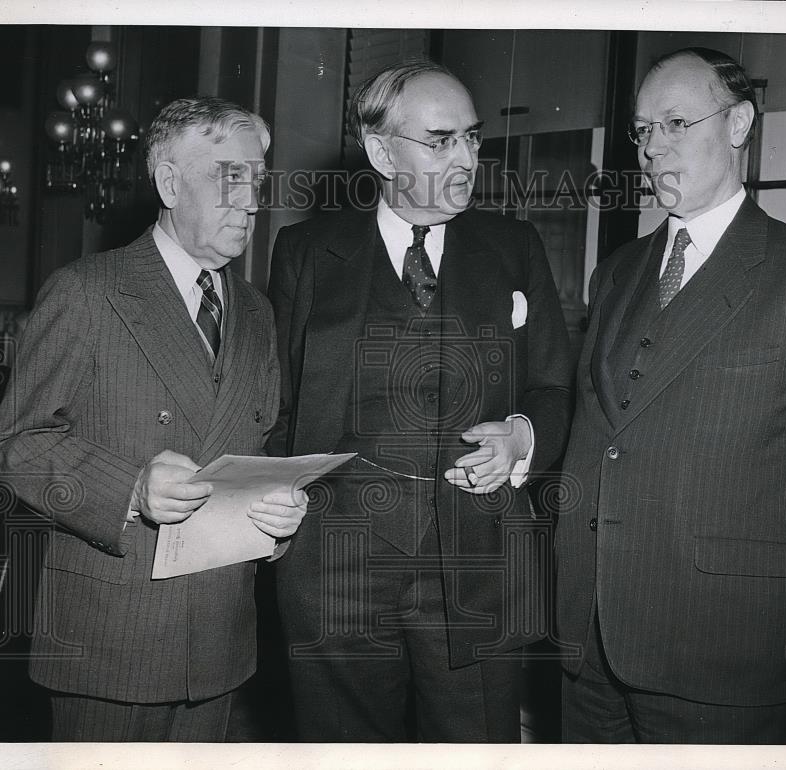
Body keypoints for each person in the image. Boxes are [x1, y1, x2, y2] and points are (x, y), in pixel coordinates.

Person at [555, 48, 786, 744]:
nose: (653, 148)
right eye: (643, 130)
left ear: (739, 123)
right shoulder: (617, 273)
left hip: (727, 652)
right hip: (589, 640)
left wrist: (780, 607)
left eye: (677, 123)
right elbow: (601, 438)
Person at [0, 96, 308, 742]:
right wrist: (131, 487)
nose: (251, 202)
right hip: (110, 637)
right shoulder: (87, 291)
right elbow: (15, 445)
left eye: (258, 181)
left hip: (218, 639)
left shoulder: (256, 311)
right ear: (169, 182)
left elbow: (262, 441)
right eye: (231, 178)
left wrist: (281, 513)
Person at [266, 60, 571, 742]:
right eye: (441, 140)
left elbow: (555, 387)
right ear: (381, 151)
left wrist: (520, 438)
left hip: (479, 559)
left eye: (472, 137)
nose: (466, 157)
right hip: (336, 558)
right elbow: (276, 407)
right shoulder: (307, 252)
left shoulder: (514, 247)